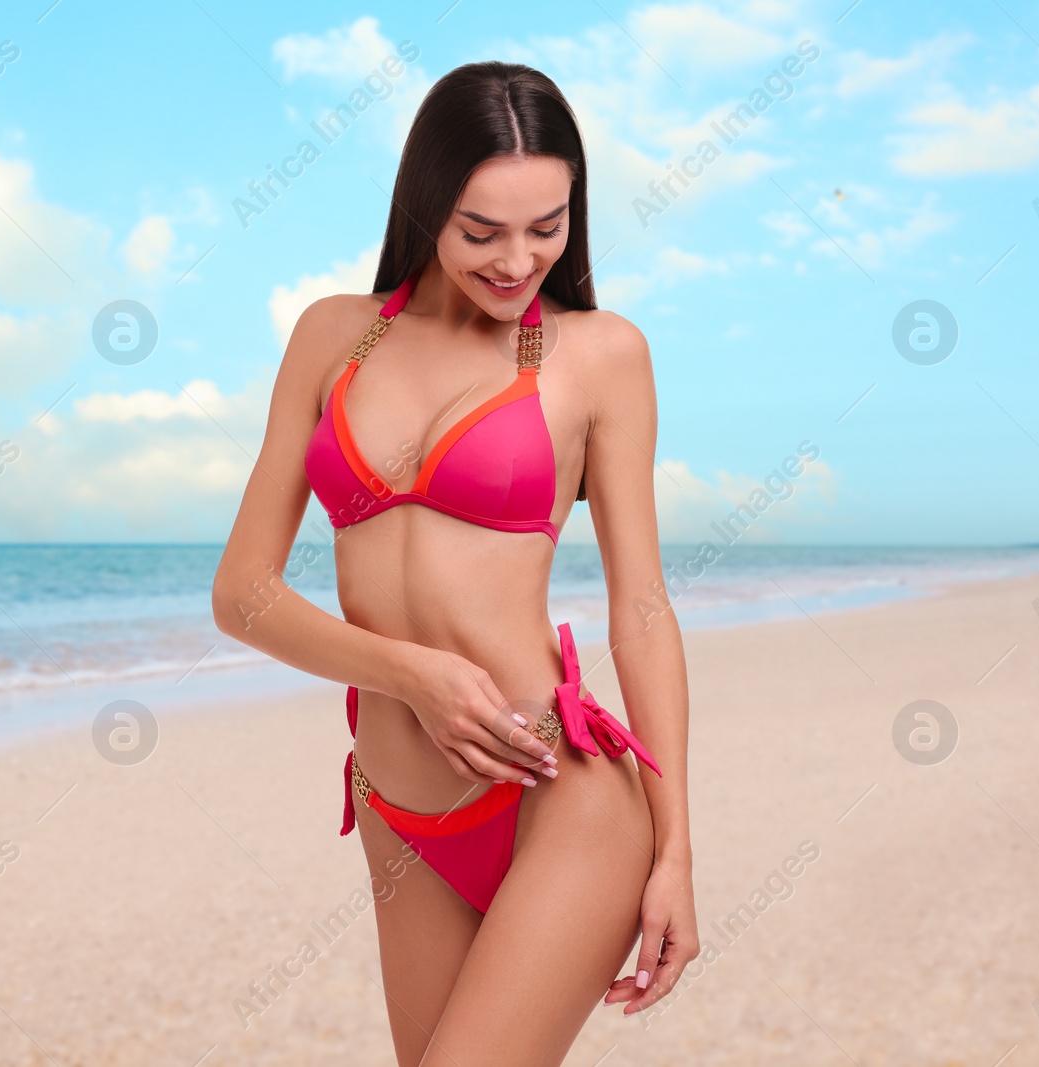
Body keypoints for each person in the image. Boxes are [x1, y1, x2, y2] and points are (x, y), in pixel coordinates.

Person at [212, 60, 697, 1066]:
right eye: (482, 230)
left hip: (559, 791)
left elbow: (640, 605)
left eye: (547, 225)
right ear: (425, 202)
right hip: (397, 808)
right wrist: (408, 672)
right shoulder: (332, 336)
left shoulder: (600, 353)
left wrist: (678, 848)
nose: (517, 260)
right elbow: (243, 593)